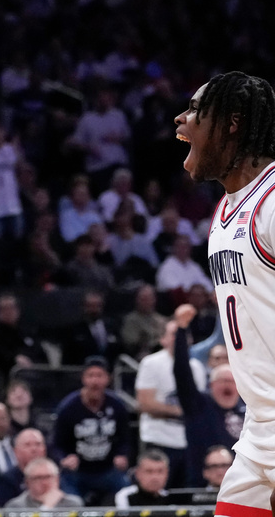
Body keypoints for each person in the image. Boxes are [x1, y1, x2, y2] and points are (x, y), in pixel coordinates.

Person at [172, 71, 275, 516]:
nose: (181, 118)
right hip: (259, 428)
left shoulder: (272, 202)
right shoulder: (225, 211)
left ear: (232, 123)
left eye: (195, 110)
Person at [173, 304, 245, 487]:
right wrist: (181, 330)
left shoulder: (247, 409)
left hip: (241, 482)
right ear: (211, 385)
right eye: (222, 381)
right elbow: (182, 373)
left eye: (231, 381)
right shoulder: (198, 405)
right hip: (200, 482)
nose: (227, 385)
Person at [136, 318, 206, 488]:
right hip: (159, 440)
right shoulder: (151, 363)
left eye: (183, 334)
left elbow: (200, 406)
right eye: (174, 334)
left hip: (188, 442)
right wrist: (182, 411)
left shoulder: (196, 367)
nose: (180, 338)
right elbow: (145, 404)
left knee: (186, 494)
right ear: (163, 339)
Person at [52, 356, 130, 504]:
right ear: (83, 379)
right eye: (91, 376)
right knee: (71, 502)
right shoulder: (68, 408)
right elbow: (56, 444)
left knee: (126, 493)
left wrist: (122, 455)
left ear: (108, 379)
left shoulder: (117, 406)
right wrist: (64, 458)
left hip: (107, 469)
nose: (95, 381)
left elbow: (125, 439)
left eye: (100, 376)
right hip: (77, 472)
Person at [3, 457, 84, 509]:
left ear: (57, 479)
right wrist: (47, 507)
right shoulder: (16, 506)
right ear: (27, 482)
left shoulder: (72, 504)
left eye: (48, 477)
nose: (44, 482)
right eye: (38, 478)